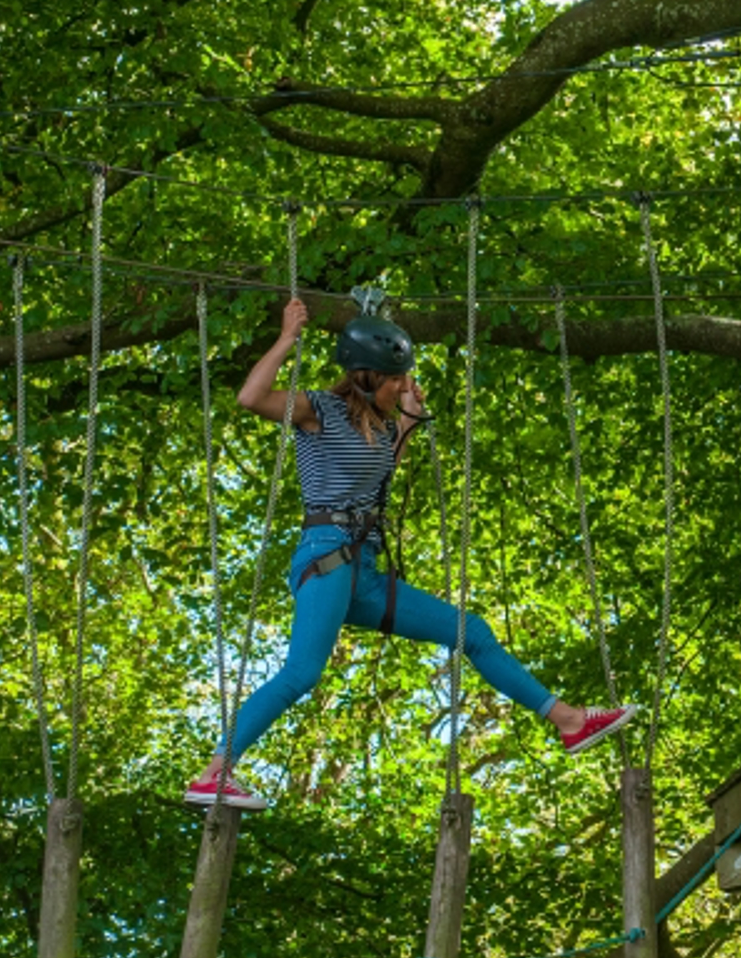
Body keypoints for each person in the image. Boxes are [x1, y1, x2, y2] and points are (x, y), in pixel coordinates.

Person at [184, 297, 638, 809]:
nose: (404, 385)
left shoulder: (378, 427)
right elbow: (250, 397)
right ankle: (215, 772)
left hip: (365, 571)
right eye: (395, 379)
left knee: (472, 631)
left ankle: (569, 721)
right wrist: (288, 338)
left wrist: (405, 427)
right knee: (302, 674)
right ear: (363, 377)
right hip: (327, 555)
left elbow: (373, 481)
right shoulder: (318, 411)